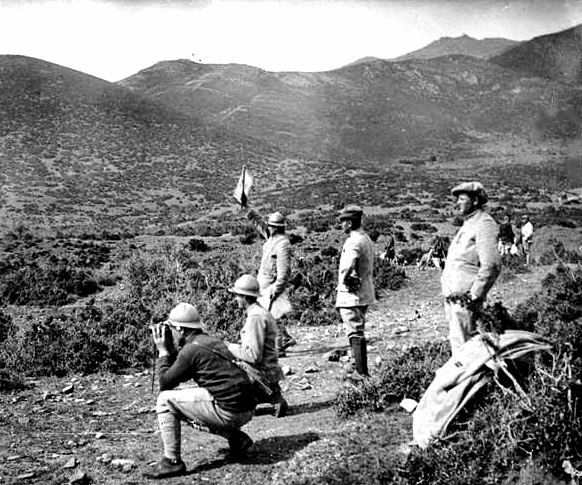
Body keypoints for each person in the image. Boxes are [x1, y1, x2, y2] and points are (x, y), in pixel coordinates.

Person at [147, 303, 256, 479]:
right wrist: (171, 350)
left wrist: (162, 352)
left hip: (230, 413)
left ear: (180, 329)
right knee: (190, 403)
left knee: (165, 400)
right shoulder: (209, 341)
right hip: (247, 410)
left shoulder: (191, 350)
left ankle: (171, 462)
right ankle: (236, 438)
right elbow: (180, 366)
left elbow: (164, 383)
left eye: (171, 328)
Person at [441, 182, 501, 357]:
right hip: (454, 298)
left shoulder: (484, 224)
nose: (457, 203)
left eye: (461, 199)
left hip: (466, 299)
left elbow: (492, 264)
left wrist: (475, 294)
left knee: (466, 351)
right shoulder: (468, 224)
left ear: (475, 200)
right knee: (460, 346)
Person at [227, 274, 289, 418]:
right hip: (269, 369)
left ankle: (257, 398)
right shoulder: (260, 313)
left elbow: (253, 356)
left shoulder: (256, 317)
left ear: (245, 297)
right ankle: (272, 396)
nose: (235, 299)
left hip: (262, 372)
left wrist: (229, 347)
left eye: (237, 296)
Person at [247, 210, 296, 355]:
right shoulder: (272, 239)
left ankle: (279, 346)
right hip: (264, 283)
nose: (268, 227)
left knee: (274, 316)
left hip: (272, 285)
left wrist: (277, 289)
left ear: (275, 227)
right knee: (269, 315)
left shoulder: (282, 244)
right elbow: (260, 226)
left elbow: (284, 271)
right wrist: (250, 213)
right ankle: (284, 340)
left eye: (270, 226)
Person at [336, 205, 375, 376]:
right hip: (364, 292)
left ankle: (361, 373)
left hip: (351, 295)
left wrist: (346, 281)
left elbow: (346, 266)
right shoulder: (365, 238)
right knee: (358, 330)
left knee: (354, 332)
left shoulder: (353, 241)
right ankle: (358, 368)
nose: (341, 225)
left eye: (343, 222)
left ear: (350, 223)